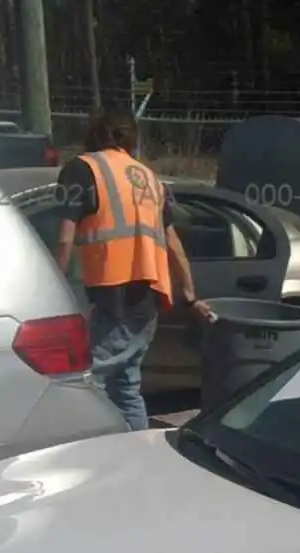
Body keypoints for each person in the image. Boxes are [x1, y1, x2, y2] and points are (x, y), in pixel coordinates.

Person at [53, 109, 214, 431]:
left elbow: (65, 237)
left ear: (94, 134)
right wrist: (189, 293)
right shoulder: (150, 178)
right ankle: (138, 453)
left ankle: (95, 455)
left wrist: (53, 282)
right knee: (125, 384)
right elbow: (171, 240)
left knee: (88, 383)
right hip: (148, 296)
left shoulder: (82, 169)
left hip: (112, 291)